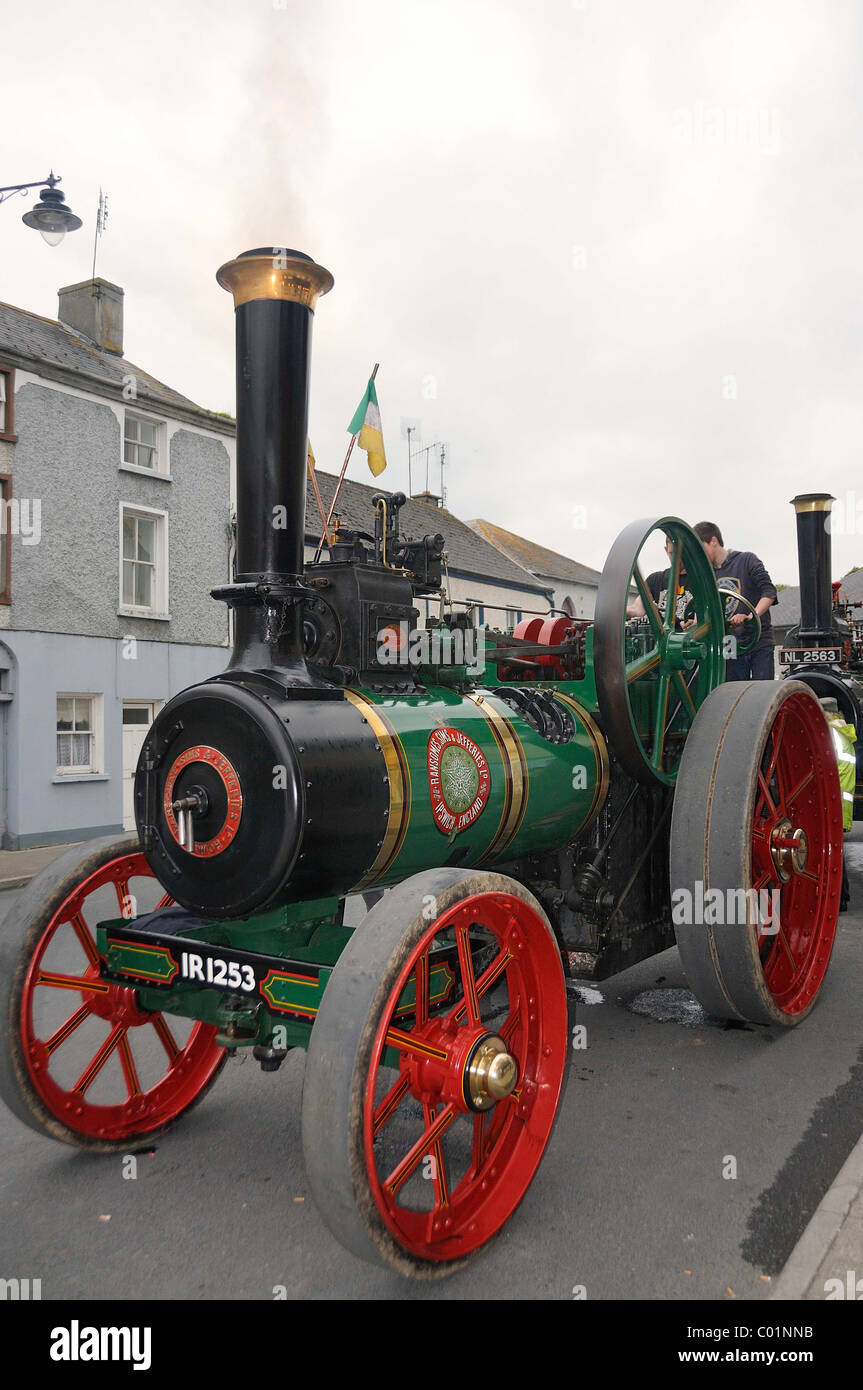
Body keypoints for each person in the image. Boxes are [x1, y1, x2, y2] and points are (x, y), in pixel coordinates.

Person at [693, 521, 778, 680]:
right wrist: (696, 622)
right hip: (730, 643)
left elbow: (769, 592)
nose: (699, 555)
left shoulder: (747, 560)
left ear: (713, 541)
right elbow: (704, 606)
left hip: (758, 640)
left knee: (761, 693)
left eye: (701, 548)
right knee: (733, 693)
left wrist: (751, 617)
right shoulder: (707, 576)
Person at [626, 534, 696, 630]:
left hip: (690, 641)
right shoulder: (655, 580)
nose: (677, 559)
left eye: (680, 553)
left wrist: (697, 623)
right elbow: (637, 609)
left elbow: (706, 615)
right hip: (663, 643)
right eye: (672, 553)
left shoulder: (700, 582)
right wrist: (616, 612)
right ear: (666, 550)